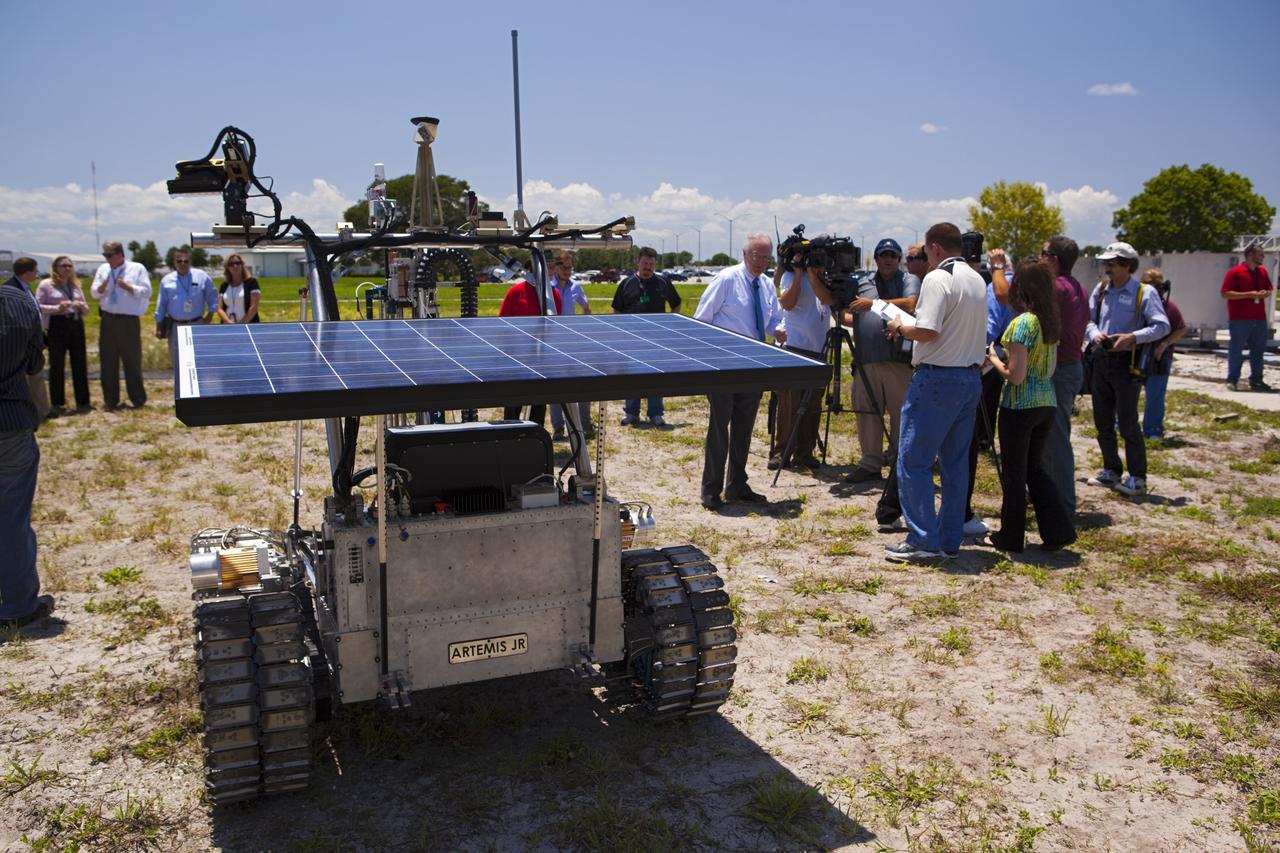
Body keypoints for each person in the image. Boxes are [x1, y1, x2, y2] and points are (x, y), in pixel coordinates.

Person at [882, 222, 986, 563]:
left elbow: (927, 330)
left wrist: (900, 326)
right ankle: (950, 537)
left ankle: (923, 539)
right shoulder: (975, 277)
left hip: (937, 378)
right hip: (969, 378)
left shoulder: (938, 278)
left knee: (914, 460)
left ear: (935, 248)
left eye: (925, 252)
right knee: (956, 464)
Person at [981, 261, 1075, 552]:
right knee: (1035, 470)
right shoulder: (1049, 323)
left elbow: (1015, 376)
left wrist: (994, 358)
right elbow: (1049, 368)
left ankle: (1010, 537)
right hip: (1046, 401)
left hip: (1020, 406)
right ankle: (1058, 530)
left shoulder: (1022, 324)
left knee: (1014, 474)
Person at [693, 234, 785, 510]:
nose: (760, 261)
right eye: (756, 256)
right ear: (744, 254)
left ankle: (737, 485)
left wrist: (779, 331)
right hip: (724, 364)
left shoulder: (767, 285)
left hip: (755, 365)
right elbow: (701, 320)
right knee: (719, 428)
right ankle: (711, 489)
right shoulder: (726, 280)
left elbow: (773, 321)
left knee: (744, 428)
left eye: (765, 257)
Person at [1085, 241, 1170, 497]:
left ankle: (1137, 477)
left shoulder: (1145, 293)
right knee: (1102, 420)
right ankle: (1111, 470)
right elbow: (1087, 320)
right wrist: (1095, 334)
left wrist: (1132, 336)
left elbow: (1161, 326)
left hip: (1127, 363)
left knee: (1128, 422)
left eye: (1111, 263)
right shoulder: (1100, 290)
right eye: (1105, 263)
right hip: (1102, 359)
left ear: (1126, 265)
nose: (1106, 268)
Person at [0, 277, 55, 629]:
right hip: (10, 423)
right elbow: (35, 362)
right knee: (11, 517)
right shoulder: (19, 302)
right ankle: (18, 605)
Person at [842, 238, 919, 484]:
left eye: (893, 256)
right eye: (883, 255)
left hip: (900, 362)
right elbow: (847, 311)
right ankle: (870, 464)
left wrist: (873, 306)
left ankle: (900, 465)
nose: (888, 259)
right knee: (867, 414)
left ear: (899, 260)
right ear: (875, 259)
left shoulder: (908, 280)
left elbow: (911, 304)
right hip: (867, 360)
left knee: (901, 416)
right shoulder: (862, 282)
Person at [1030, 236, 1090, 516]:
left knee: (1056, 440)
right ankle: (1051, 498)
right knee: (1048, 438)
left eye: (1042, 254)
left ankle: (1064, 508)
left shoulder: (1053, 288)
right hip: (1071, 366)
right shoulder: (1077, 286)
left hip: (1058, 369)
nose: (1039, 259)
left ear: (1053, 259)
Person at [960, 242, 1013, 539]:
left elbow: (1002, 303)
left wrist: (998, 269)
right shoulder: (953, 281)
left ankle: (961, 512)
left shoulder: (1000, 283)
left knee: (968, 438)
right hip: (966, 363)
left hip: (987, 362)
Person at [770, 256, 833, 470]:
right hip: (794, 347)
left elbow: (826, 299)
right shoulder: (790, 275)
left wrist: (814, 275)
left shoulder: (824, 279)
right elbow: (787, 303)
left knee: (813, 404)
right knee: (790, 404)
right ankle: (782, 452)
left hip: (818, 350)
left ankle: (804, 453)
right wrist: (799, 275)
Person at [612, 247, 681, 427]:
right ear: (638, 262)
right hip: (631, 340)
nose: (648, 267)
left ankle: (656, 413)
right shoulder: (626, 284)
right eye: (645, 263)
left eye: (651, 264)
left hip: (657, 340)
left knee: (655, 376)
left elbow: (677, 304)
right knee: (632, 377)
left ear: (655, 264)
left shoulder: (663, 283)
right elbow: (616, 309)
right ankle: (632, 413)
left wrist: (670, 324)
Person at [90, 240, 153, 410]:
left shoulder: (137, 268)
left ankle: (137, 399)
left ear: (119, 254)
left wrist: (129, 287)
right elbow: (94, 293)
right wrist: (103, 286)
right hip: (108, 319)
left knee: (132, 360)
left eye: (109, 255)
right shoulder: (103, 270)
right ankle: (110, 400)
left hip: (128, 321)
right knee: (108, 361)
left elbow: (147, 291)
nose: (107, 258)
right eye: (105, 255)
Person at [498, 272, 562, 424]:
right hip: (517, 359)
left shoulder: (553, 295)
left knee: (539, 404)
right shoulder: (515, 292)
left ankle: (535, 438)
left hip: (542, 359)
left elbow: (556, 325)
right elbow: (502, 323)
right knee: (513, 404)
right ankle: (511, 435)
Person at [546, 251, 594, 440]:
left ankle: (585, 423)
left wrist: (585, 327)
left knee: (581, 384)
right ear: (556, 267)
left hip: (574, 342)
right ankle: (558, 428)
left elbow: (586, 308)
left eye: (570, 268)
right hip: (553, 342)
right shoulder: (549, 287)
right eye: (563, 267)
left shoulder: (576, 287)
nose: (567, 271)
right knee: (555, 387)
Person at [35, 256, 91, 413]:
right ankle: (58, 403)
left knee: (80, 363)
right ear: (55, 267)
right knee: (57, 364)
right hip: (57, 324)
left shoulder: (75, 285)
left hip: (76, 323)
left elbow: (87, 308)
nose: (67, 268)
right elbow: (37, 306)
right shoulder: (46, 285)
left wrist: (81, 307)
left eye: (69, 265)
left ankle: (83, 401)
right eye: (63, 265)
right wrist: (57, 308)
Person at [1139, 269, 1187, 439]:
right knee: (1128, 392)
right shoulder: (1137, 304)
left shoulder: (1169, 307)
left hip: (1160, 358)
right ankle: (1121, 423)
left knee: (1155, 395)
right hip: (1136, 355)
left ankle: (1153, 429)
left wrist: (1164, 344)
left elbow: (1181, 329)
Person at [1220, 239, 1273, 391]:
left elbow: (1269, 289)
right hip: (1240, 318)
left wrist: (1265, 293)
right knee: (1236, 349)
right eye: (1260, 254)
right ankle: (1232, 380)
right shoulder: (1234, 272)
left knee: (1258, 350)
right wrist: (1249, 294)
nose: (1262, 257)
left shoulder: (1262, 272)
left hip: (1259, 318)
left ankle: (1256, 380)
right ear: (1250, 255)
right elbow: (1225, 294)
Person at [155, 249, 217, 365]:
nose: (183, 264)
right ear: (174, 262)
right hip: (175, 327)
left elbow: (212, 295)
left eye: (186, 261)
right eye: (179, 261)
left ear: (190, 262)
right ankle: (179, 383)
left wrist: (210, 314)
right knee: (178, 362)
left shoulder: (201, 276)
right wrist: (158, 326)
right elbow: (161, 304)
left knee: (198, 360)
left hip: (197, 324)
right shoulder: (166, 280)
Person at [216, 253, 262, 325]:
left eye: (238, 263)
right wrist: (229, 322)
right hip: (228, 326)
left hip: (248, 326)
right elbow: (219, 308)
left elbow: (254, 307)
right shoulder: (224, 285)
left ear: (242, 265)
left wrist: (242, 324)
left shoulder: (252, 282)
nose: (235, 266)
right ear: (227, 268)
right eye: (231, 264)